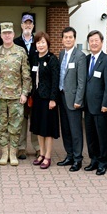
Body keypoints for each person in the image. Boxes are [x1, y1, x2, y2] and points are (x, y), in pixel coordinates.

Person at [0, 22, 32, 166]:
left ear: (14, 34)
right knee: (1, 126)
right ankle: (4, 153)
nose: (7, 35)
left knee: (16, 126)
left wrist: (25, 93)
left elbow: (26, 75)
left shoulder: (21, 51)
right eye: (4, 33)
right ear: (1, 35)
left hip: (16, 97)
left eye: (9, 33)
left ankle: (13, 153)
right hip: (0, 96)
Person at [83, 30, 107, 176]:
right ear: (88, 43)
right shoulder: (87, 59)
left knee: (102, 136)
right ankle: (93, 160)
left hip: (101, 106)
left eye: (96, 40)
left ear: (102, 42)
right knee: (90, 135)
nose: (94, 43)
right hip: (88, 106)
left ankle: (103, 162)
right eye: (91, 41)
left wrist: (106, 104)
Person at [57, 26, 87, 172]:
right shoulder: (62, 53)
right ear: (62, 39)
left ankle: (77, 159)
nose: (68, 40)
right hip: (62, 96)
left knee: (75, 130)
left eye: (71, 37)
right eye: (65, 37)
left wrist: (78, 100)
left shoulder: (80, 56)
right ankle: (69, 155)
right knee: (66, 129)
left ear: (75, 39)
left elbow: (82, 81)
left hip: (73, 99)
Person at [29, 31, 60, 170]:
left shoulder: (52, 59)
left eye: (43, 42)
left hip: (48, 100)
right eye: (38, 42)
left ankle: (47, 156)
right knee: (38, 128)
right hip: (37, 99)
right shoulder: (35, 58)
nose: (41, 45)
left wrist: (53, 99)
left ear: (47, 43)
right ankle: (41, 154)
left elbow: (55, 81)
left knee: (47, 129)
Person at [13, 13, 40, 160]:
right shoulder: (16, 42)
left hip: (35, 89)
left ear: (33, 26)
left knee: (35, 118)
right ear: (21, 25)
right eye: (25, 23)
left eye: (30, 23)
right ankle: (21, 148)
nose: (28, 25)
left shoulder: (38, 42)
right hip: (20, 88)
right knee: (22, 119)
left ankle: (37, 147)